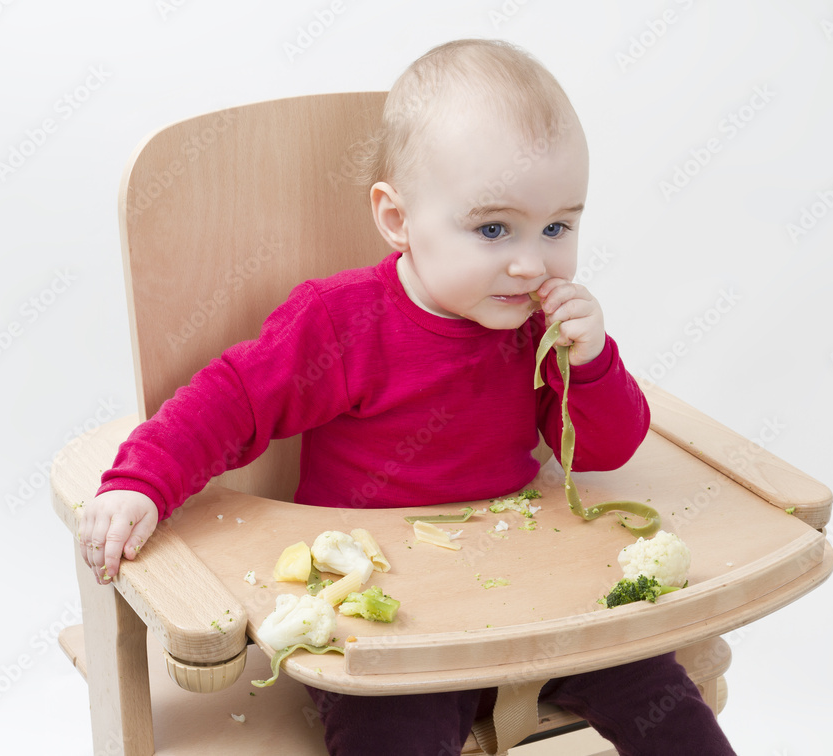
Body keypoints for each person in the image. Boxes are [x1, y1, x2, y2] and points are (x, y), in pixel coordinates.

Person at [80, 38, 735, 756]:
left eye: (557, 227)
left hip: (540, 600)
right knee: (389, 738)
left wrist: (593, 362)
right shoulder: (341, 324)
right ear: (397, 220)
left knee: (663, 699)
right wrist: (143, 481)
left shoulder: (540, 327)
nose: (530, 262)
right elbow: (231, 401)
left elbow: (605, 451)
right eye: (493, 229)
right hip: (391, 626)